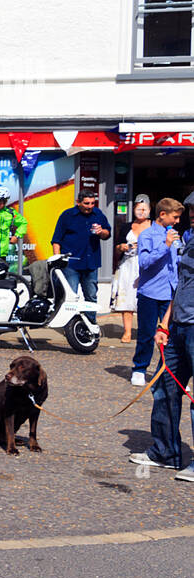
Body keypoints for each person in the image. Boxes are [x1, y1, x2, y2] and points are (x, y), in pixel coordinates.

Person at [129, 191, 194, 481]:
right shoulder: (187, 239)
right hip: (177, 323)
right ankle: (166, 452)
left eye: (190, 211)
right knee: (164, 388)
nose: (188, 216)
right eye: (188, 211)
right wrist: (165, 324)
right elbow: (181, 284)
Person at [132, 198, 182, 386]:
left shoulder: (176, 235)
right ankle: (139, 368)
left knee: (171, 335)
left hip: (170, 292)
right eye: (175, 217)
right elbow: (144, 263)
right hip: (150, 292)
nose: (177, 221)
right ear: (162, 214)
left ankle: (170, 373)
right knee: (146, 333)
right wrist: (165, 245)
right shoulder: (147, 235)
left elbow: (176, 263)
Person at [51, 189, 111, 324]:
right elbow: (56, 239)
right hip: (71, 264)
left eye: (92, 203)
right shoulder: (67, 215)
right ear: (78, 202)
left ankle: (90, 326)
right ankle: (69, 325)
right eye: (86, 203)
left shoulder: (98, 214)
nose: (90, 206)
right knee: (70, 297)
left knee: (91, 296)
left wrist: (102, 232)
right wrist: (57, 259)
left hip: (91, 263)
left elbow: (107, 233)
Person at [112, 197, 151, 343]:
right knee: (127, 298)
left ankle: (145, 331)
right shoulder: (126, 226)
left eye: (144, 209)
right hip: (128, 265)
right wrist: (121, 247)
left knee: (146, 299)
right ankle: (127, 331)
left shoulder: (154, 226)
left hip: (146, 266)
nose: (141, 212)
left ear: (149, 210)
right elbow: (117, 247)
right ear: (134, 209)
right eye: (138, 209)